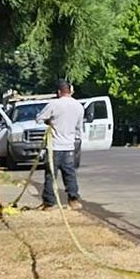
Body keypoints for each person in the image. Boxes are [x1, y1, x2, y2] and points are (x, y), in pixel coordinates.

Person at [38, 80, 85, 209]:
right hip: (69, 145)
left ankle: (49, 203)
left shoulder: (54, 104)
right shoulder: (78, 106)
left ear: (58, 92)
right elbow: (78, 127)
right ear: (70, 91)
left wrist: (49, 122)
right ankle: (73, 199)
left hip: (54, 146)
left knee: (51, 175)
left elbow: (39, 118)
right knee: (70, 174)